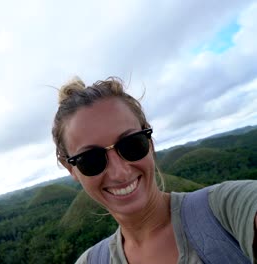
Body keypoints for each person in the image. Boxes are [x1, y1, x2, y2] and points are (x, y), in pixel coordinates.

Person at [51, 76, 257, 263]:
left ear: (149, 143)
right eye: (90, 159)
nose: (119, 172)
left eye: (132, 144)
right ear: (72, 169)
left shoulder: (228, 210)